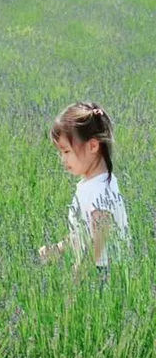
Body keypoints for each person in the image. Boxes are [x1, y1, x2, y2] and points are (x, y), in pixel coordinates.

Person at [38, 102, 130, 280]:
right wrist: (59, 248)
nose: (63, 159)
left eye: (66, 151)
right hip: (97, 271)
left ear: (93, 146)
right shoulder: (90, 184)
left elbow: (98, 240)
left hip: (105, 276)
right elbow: (82, 232)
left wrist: (79, 276)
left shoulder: (100, 191)